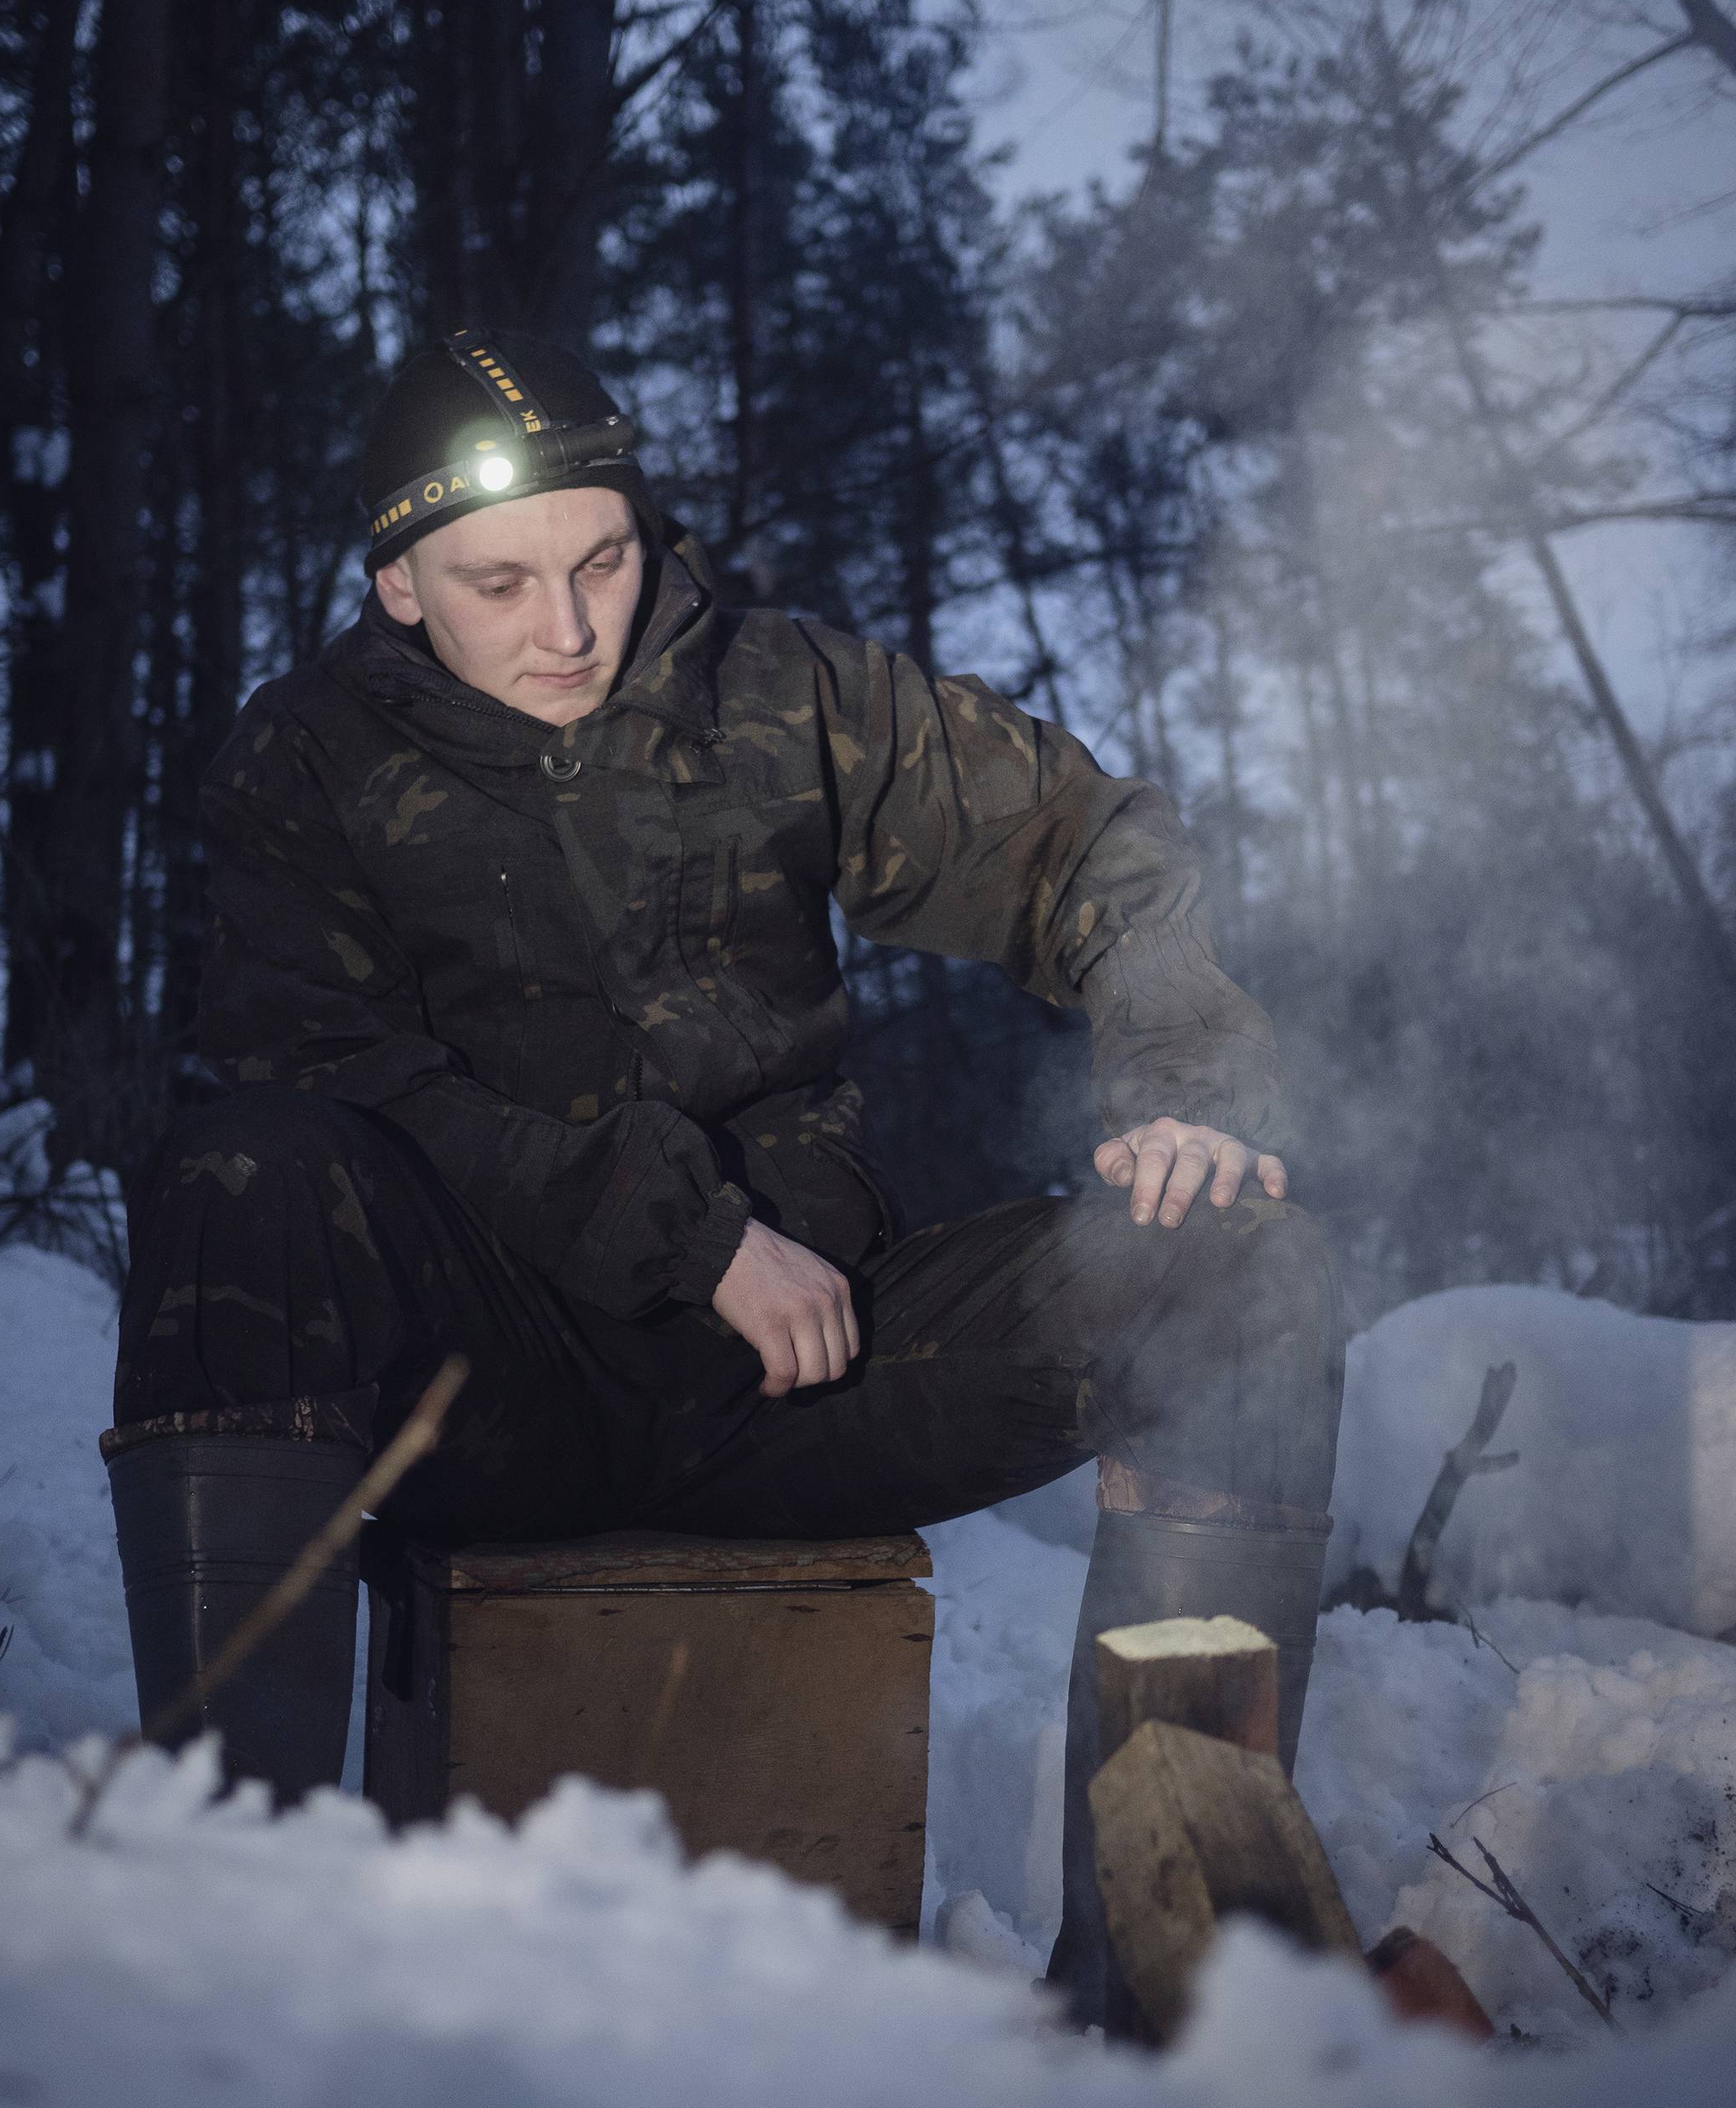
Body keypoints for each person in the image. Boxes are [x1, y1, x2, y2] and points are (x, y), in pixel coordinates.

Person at [102, 329, 1342, 2023]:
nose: (566, 626)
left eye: (602, 559)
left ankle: (1171, 1994)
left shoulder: (783, 691)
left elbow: (1082, 839)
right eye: (496, 582)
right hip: (494, 1389)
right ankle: (225, 1960)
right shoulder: (302, 760)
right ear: (396, 584)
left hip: (801, 1372)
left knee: (1235, 1269)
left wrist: (1182, 1075)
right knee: (237, 1171)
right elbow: (325, 1068)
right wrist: (689, 1239)